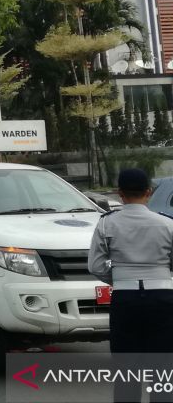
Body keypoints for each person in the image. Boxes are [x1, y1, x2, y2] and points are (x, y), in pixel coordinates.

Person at [89, 168, 173, 403]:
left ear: (120, 193)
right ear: (149, 192)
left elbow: (95, 266)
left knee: (126, 367)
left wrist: (120, 279)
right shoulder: (167, 224)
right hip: (162, 298)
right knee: (163, 368)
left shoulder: (107, 224)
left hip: (125, 299)